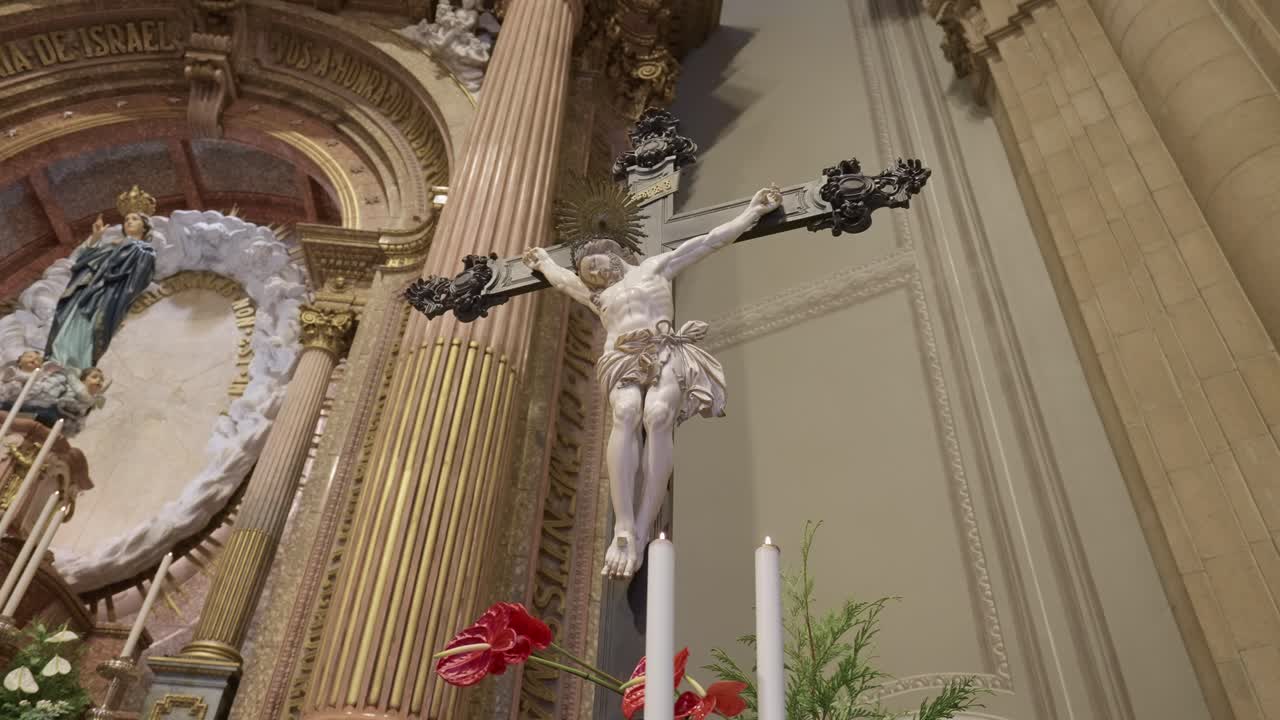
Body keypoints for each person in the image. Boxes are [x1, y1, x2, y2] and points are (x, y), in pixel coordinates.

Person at [524, 185, 783, 578]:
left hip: (664, 350)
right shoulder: (598, 297)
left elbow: (709, 242)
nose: (592, 275)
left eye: (595, 266)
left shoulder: (656, 268)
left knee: (658, 415)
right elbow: (560, 281)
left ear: (614, 254)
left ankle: (644, 527)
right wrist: (543, 261)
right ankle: (624, 526)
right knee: (626, 412)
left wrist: (751, 214)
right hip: (621, 356)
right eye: (587, 272)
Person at [45, 210, 156, 371]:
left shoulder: (145, 251)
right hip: (86, 290)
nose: (129, 222)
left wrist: (126, 245)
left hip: (108, 296)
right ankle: (58, 362)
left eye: (135, 219)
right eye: (126, 219)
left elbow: (138, 279)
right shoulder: (112, 244)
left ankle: (76, 367)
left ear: (145, 227)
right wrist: (96, 237)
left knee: (90, 328)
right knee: (68, 323)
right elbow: (83, 263)